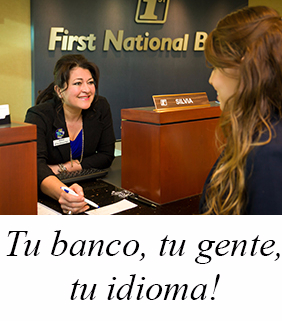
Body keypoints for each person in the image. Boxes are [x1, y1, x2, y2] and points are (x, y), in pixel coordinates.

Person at [199, 6, 282, 215]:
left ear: (246, 69)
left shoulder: (266, 155)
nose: (211, 80)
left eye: (216, 67)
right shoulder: (258, 135)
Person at [25, 54, 116, 214]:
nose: (87, 90)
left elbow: (106, 155)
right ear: (59, 91)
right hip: (50, 191)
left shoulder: (100, 106)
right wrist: (63, 194)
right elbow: (35, 166)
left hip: (90, 183)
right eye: (78, 83)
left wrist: (64, 167)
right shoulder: (39, 115)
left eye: (90, 82)